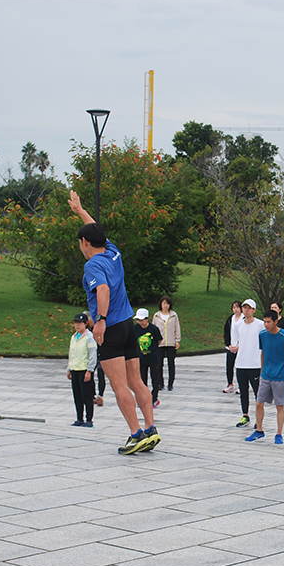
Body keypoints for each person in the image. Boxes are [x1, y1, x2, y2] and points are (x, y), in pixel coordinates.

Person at [68, 190, 160, 455]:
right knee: (136, 382)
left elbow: (103, 291)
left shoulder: (93, 265)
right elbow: (97, 232)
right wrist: (81, 211)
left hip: (110, 329)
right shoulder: (113, 251)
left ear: (84, 242)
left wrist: (101, 321)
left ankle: (136, 434)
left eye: (80, 242)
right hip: (128, 326)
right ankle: (151, 428)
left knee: (119, 386)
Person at [245, 310, 284, 445]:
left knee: (279, 406)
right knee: (259, 403)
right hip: (266, 375)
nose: (266, 325)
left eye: (269, 322)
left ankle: (279, 434)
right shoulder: (262, 335)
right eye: (264, 321)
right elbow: (263, 353)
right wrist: (261, 373)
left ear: (275, 321)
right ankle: (259, 431)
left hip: (280, 376)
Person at [230, 298, 264, 428]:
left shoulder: (260, 325)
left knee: (257, 393)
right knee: (243, 391)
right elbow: (235, 343)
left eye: (249, 308)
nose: (246, 310)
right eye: (244, 307)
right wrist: (234, 347)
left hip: (255, 364)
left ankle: (258, 418)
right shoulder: (238, 325)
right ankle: (245, 415)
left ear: (254, 310)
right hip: (241, 363)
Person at [67, 312, 97, 427]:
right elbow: (71, 353)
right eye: (75, 323)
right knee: (77, 395)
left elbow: (92, 354)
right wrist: (69, 369)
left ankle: (89, 420)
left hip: (84, 370)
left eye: (79, 323)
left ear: (85, 324)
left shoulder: (89, 337)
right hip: (75, 369)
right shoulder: (74, 337)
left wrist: (89, 370)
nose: (77, 325)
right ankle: (79, 418)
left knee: (87, 396)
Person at [134, 308, 163, 408]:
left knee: (155, 378)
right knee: (142, 379)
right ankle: (143, 398)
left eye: (142, 320)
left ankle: (154, 398)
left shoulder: (154, 329)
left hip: (153, 358)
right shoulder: (136, 328)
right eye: (138, 320)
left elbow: (159, 340)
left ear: (147, 319)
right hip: (141, 358)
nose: (140, 322)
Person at [153, 295, 181, 392]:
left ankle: (170, 384)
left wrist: (177, 340)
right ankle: (160, 383)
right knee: (159, 364)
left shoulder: (173, 315)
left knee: (171, 364)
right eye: (164, 303)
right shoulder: (156, 316)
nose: (166, 306)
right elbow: (153, 329)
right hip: (160, 343)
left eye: (167, 304)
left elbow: (177, 328)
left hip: (171, 343)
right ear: (161, 304)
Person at [83, 310, 105, 406]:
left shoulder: (97, 327)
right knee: (90, 374)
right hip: (92, 354)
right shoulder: (86, 331)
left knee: (101, 374)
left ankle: (100, 395)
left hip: (101, 353)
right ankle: (92, 395)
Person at [222, 301, 243, 394]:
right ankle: (230, 384)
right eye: (234, 307)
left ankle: (241, 386)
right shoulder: (230, 319)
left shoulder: (244, 319)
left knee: (240, 367)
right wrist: (229, 345)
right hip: (231, 347)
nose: (236, 309)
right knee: (229, 366)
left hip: (241, 347)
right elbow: (226, 332)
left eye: (237, 307)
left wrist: (239, 346)